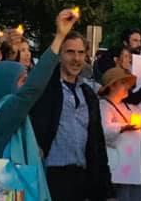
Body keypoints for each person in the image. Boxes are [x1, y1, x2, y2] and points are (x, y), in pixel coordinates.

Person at [0, 8, 78, 201]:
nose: (26, 84)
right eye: (22, 80)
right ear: (6, 82)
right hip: (6, 192)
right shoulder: (3, 113)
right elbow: (32, 90)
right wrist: (59, 37)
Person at [31, 28, 114, 201]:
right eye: (70, 52)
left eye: (80, 53)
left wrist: (107, 191)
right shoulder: (46, 91)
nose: (76, 59)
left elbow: (97, 143)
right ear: (60, 55)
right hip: (51, 176)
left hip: (82, 177)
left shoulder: (89, 94)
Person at [98, 67, 141, 201]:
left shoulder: (126, 106)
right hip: (117, 165)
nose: (127, 87)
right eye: (123, 83)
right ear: (112, 86)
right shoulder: (104, 106)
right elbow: (103, 131)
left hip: (132, 164)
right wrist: (124, 127)